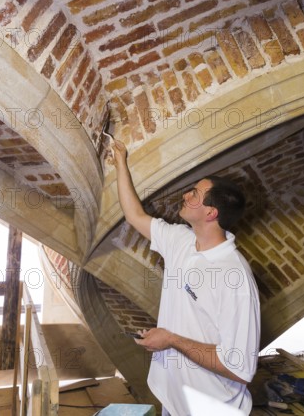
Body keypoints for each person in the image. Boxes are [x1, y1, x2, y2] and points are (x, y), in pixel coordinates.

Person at [112, 139, 261, 416]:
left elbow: (239, 369)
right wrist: (121, 161)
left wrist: (171, 340)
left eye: (195, 194)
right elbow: (134, 215)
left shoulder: (234, 277)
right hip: (175, 400)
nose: (186, 196)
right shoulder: (180, 240)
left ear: (211, 213)